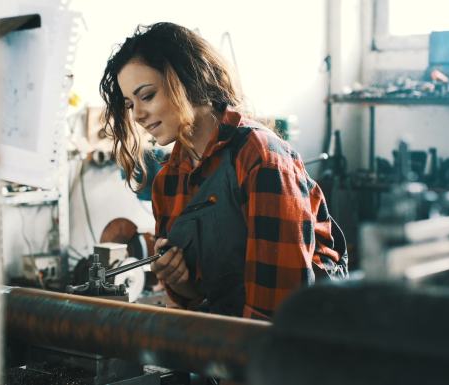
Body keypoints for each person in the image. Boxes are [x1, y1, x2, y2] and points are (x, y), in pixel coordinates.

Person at [100, 22, 347, 320]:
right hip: (230, 345)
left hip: (297, 349)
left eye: (147, 95)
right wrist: (182, 282)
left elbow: (278, 308)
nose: (137, 115)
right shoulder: (168, 181)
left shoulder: (260, 158)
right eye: (129, 104)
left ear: (189, 80)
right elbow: (203, 298)